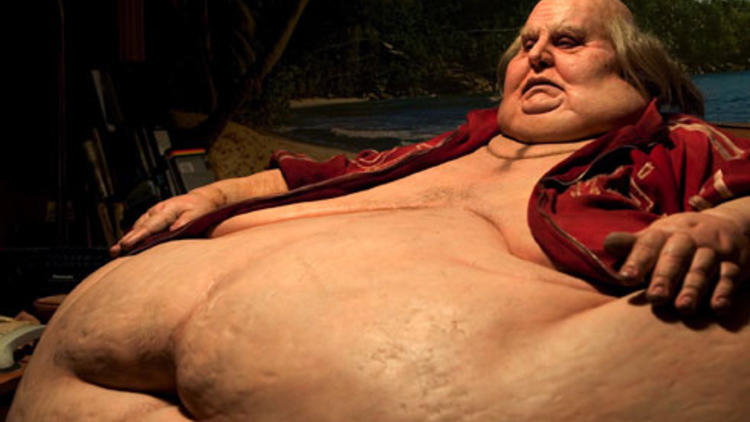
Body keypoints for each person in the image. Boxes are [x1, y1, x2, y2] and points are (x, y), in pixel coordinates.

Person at [10, 0, 750, 420]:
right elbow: (310, 174)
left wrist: (723, 224)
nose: (535, 56)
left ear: (639, 71)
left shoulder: (674, 144)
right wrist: (213, 193)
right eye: (526, 43)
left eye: (567, 41)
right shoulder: (447, 145)